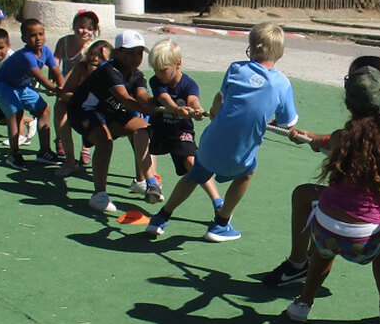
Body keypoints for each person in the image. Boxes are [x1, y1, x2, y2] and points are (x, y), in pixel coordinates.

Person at [263, 55, 380, 287]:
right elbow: (345, 139)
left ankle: (298, 265)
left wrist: (325, 142)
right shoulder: (377, 118)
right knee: (321, 199)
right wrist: (312, 137)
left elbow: (347, 142)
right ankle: (307, 265)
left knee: (305, 196)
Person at [280, 65, 380, 324]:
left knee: (324, 252)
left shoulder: (341, 138)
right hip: (363, 238)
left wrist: (310, 139)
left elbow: (327, 142)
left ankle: (302, 304)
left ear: (349, 103)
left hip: (324, 228)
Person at [144, 22, 297, 242]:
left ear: (251, 48)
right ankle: (221, 224)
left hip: (209, 145)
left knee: (195, 175)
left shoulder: (236, 68)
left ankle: (161, 217)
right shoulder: (282, 84)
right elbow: (286, 123)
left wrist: (215, 112)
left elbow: (221, 99)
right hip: (238, 154)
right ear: (280, 52)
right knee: (247, 173)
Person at [68, 29, 182, 213]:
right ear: (118, 52)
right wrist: (147, 108)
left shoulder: (137, 75)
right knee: (105, 142)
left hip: (111, 113)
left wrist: (159, 103)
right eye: (131, 53)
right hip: (84, 111)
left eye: (139, 53)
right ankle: (99, 195)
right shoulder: (109, 70)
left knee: (144, 129)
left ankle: (145, 181)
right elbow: (124, 98)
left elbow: (142, 95)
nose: (136, 57)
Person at [146, 39, 223, 211]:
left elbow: (193, 99)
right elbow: (163, 98)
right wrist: (176, 109)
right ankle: (152, 183)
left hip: (180, 131)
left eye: (163, 70)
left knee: (192, 163)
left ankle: (218, 202)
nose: (159, 74)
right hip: (159, 127)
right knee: (144, 141)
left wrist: (196, 110)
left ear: (178, 63)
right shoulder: (156, 81)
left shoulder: (189, 84)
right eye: (156, 70)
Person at [0, 18, 66, 169]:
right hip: (2, 85)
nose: (38, 38)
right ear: (24, 39)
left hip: (21, 86)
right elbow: (41, 78)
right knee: (16, 112)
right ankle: (13, 154)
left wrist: (62, 87)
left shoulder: (46, 51)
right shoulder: (26, 56)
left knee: (44, 110)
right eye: (32, 35)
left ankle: (44, 152)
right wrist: (56, 90)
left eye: (41, 34)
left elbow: (56, 70)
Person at [55, 38, 112, 177]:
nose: (95, 58)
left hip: (105, 109)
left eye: (101, 56)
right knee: (60, 107)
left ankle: (143, 177)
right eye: (93, 53)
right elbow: (65, 93)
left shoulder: (112, 73)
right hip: (81, 107)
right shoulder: (81, 67)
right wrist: (80, 98)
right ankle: (70, 160)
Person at [52, 11, 101, 165]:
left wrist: (63, 86)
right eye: (81, 27)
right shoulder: (64, 42)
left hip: (83, 87)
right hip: (64, 84)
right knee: (59, 110)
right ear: (74, 26)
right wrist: (53, 82)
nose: (84, 31)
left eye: (89, 28)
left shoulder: (91, 48)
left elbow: (77, 71)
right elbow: (55, 63)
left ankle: (85, 148)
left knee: (85, 116)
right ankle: (60, 138)